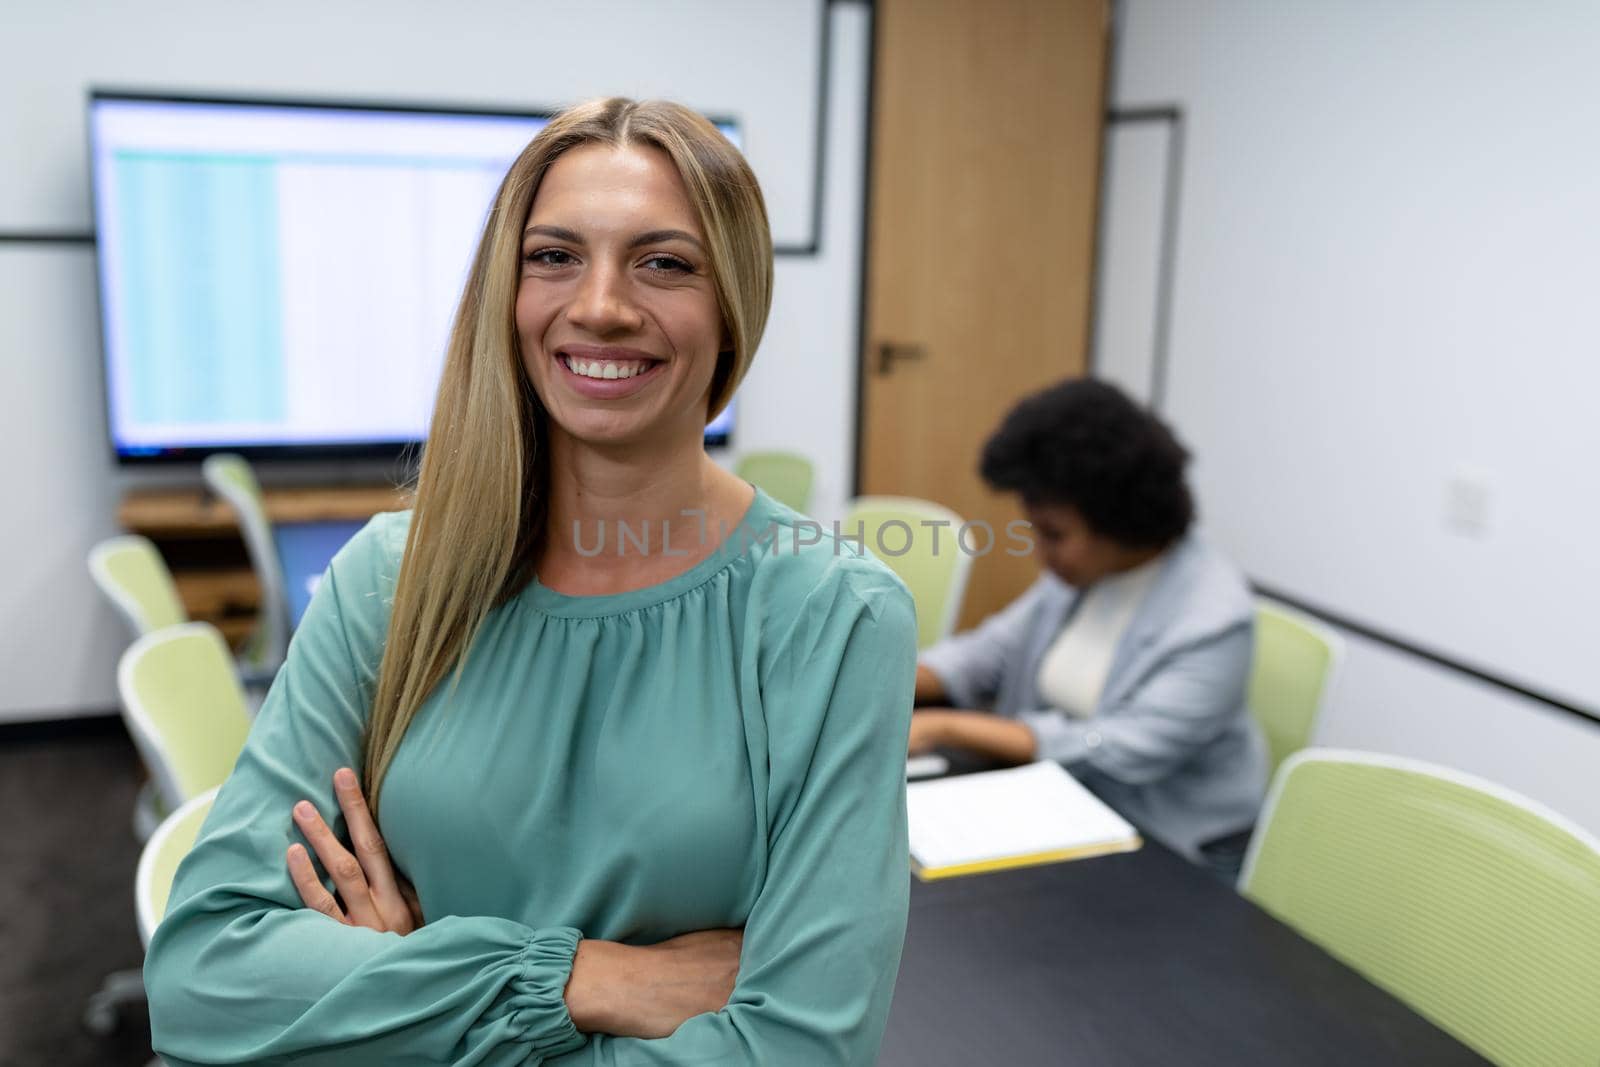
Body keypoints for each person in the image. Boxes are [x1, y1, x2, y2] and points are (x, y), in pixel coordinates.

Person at [144, 98, 918, 1065]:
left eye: (664, 262)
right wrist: (581, 977)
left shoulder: (832, 617)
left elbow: (799, 1048)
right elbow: (202, 978)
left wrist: (394, 989)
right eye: (553, 256)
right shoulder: (391, 581)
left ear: (735, 310)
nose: (599, 304)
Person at [910, 378, 1267, 877]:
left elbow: (1120, 749)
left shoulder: (1212, 619)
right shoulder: (1082, 574)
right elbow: (987, 653)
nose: (1039, 552)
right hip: (1060, 807)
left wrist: (945, 725)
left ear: (1121, 520)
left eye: (1054, 535)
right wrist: (884, 678)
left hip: (1165, 846)